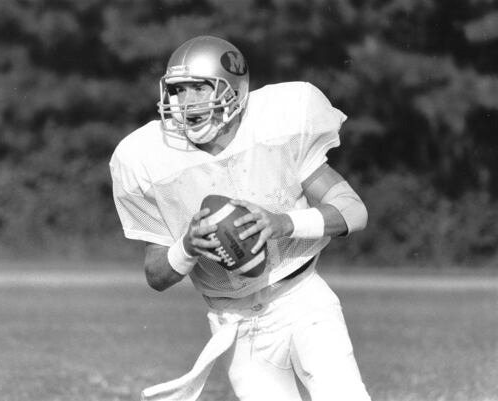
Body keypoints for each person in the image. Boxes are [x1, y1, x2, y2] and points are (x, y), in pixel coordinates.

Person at [110, 35, 371, 401]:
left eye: (197, 88)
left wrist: (283, 223)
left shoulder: (278, 122)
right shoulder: (147, 157)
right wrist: (187, 246)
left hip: (303, 300)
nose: (184, 103)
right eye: (176, 90)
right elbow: (155, 275)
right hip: (236, 325)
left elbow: (353, 210)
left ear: (232, 90)